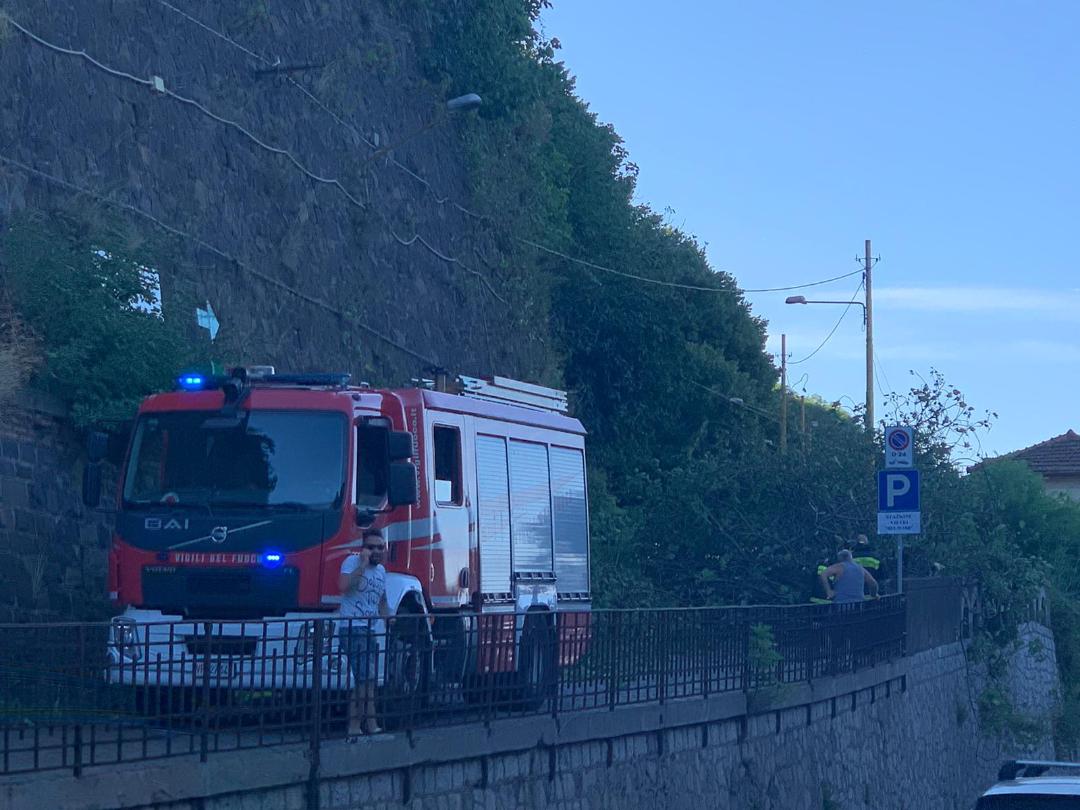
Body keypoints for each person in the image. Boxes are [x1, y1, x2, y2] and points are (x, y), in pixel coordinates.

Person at [338, 528, 389, 739]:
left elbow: (382, 600)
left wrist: (388, 619)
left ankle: (369, 724)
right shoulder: (351, 563)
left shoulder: (381, 571)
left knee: (368, 680)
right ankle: (357, 726)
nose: (376, 551)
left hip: (370, 629)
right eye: (371, 547)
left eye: (380, 547)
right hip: (353, 627)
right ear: (363, 548)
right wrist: (361, 565)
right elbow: (343, 586)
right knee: (363, 679)